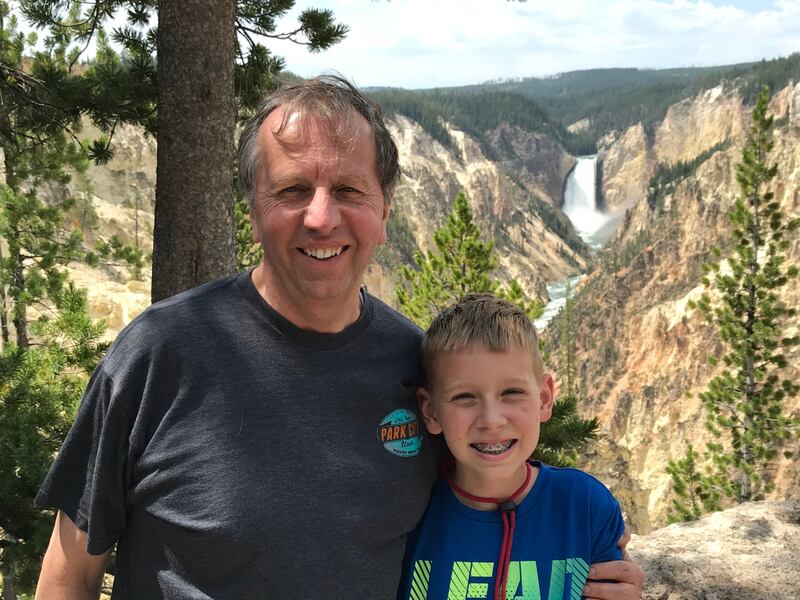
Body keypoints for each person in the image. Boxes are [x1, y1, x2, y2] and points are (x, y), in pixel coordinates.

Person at [34, 76, 643, 599]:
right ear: (253, 206)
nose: (321, 217)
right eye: (293, 190)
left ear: (385, 207)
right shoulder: (159, 352)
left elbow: (494, 502)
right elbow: (69, 572)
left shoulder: (421, 369)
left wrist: (597, 576)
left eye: (348, 191)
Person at [399, 293, 634, 600]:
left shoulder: (585, 507)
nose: (492, 420)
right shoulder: (408, 516)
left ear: (545, 399)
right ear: (430, 411)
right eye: (464, 397)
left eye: (511, 392)